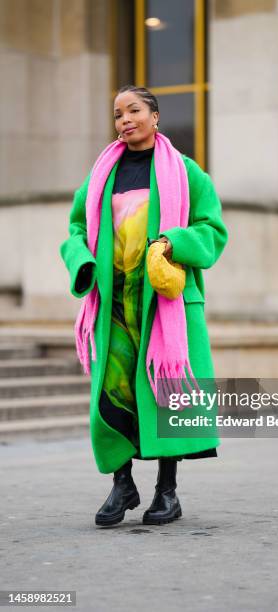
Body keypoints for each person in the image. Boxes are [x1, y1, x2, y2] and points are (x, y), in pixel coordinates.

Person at [59, 85, 228, 528]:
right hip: (113, 303)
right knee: (114, 393)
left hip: (165, 303)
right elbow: (76, 228)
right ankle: (122, 483)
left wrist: (176, 242)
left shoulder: (187, 173)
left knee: (164, 394)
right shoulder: (100, 176)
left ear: (154, 116)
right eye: (117, 114)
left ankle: (166, 493)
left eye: (133, 110)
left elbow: (212, 230)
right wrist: (83, 262)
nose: (124, 120)